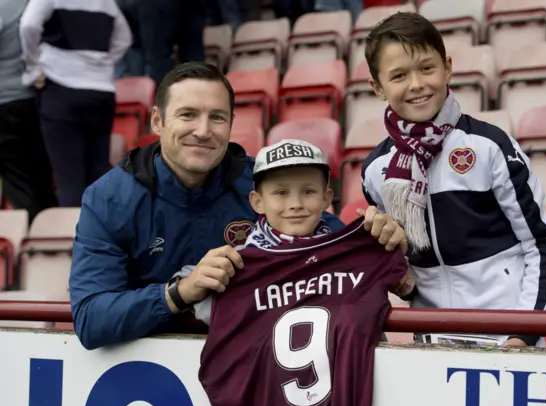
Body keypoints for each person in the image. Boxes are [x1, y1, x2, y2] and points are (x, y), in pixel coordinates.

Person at [69, 62, 403, 350]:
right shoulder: (110, 198)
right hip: (153, 374)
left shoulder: (264, 184)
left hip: (259, 369)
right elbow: (91, 318)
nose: (202, 131)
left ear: (230, 123)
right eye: (188, 115)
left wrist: (371, 238)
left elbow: (329, 244)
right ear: (157, 121)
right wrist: (180, 292)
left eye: (216, 117)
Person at [361, 12, 546, 347]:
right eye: (398, 76)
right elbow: (402, 268)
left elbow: (541, 244)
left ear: (447, 67)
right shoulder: (376, 169)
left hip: (507, 340)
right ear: (378, 87)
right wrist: (395, 269)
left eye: (427, 68)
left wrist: (522, 335)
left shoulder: (489, 146)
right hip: (434, 344)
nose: (416, 84)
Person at [174, 139, 415, 324]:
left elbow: (407, 286)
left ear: (326, 198)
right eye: (281, 193)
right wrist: (185, 286)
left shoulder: (352, 255)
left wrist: (390, 255)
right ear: (257, 202)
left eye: (308, 191)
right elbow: (191, 295)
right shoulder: (235, 265)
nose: (296, 203)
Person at [19, 0, 132, 207]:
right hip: (101, 92)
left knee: (70, 179)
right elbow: (124, 38)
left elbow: (28, 24)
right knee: (98, 172)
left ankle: (75, 237)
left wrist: (34, 63)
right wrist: (102, 63)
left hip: (61, 89)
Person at [0, 0, 58, 222]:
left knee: (21, 181)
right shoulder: (33, 4)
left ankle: (37, 235)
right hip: (31, 99)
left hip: (6, 103)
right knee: (37, 175)